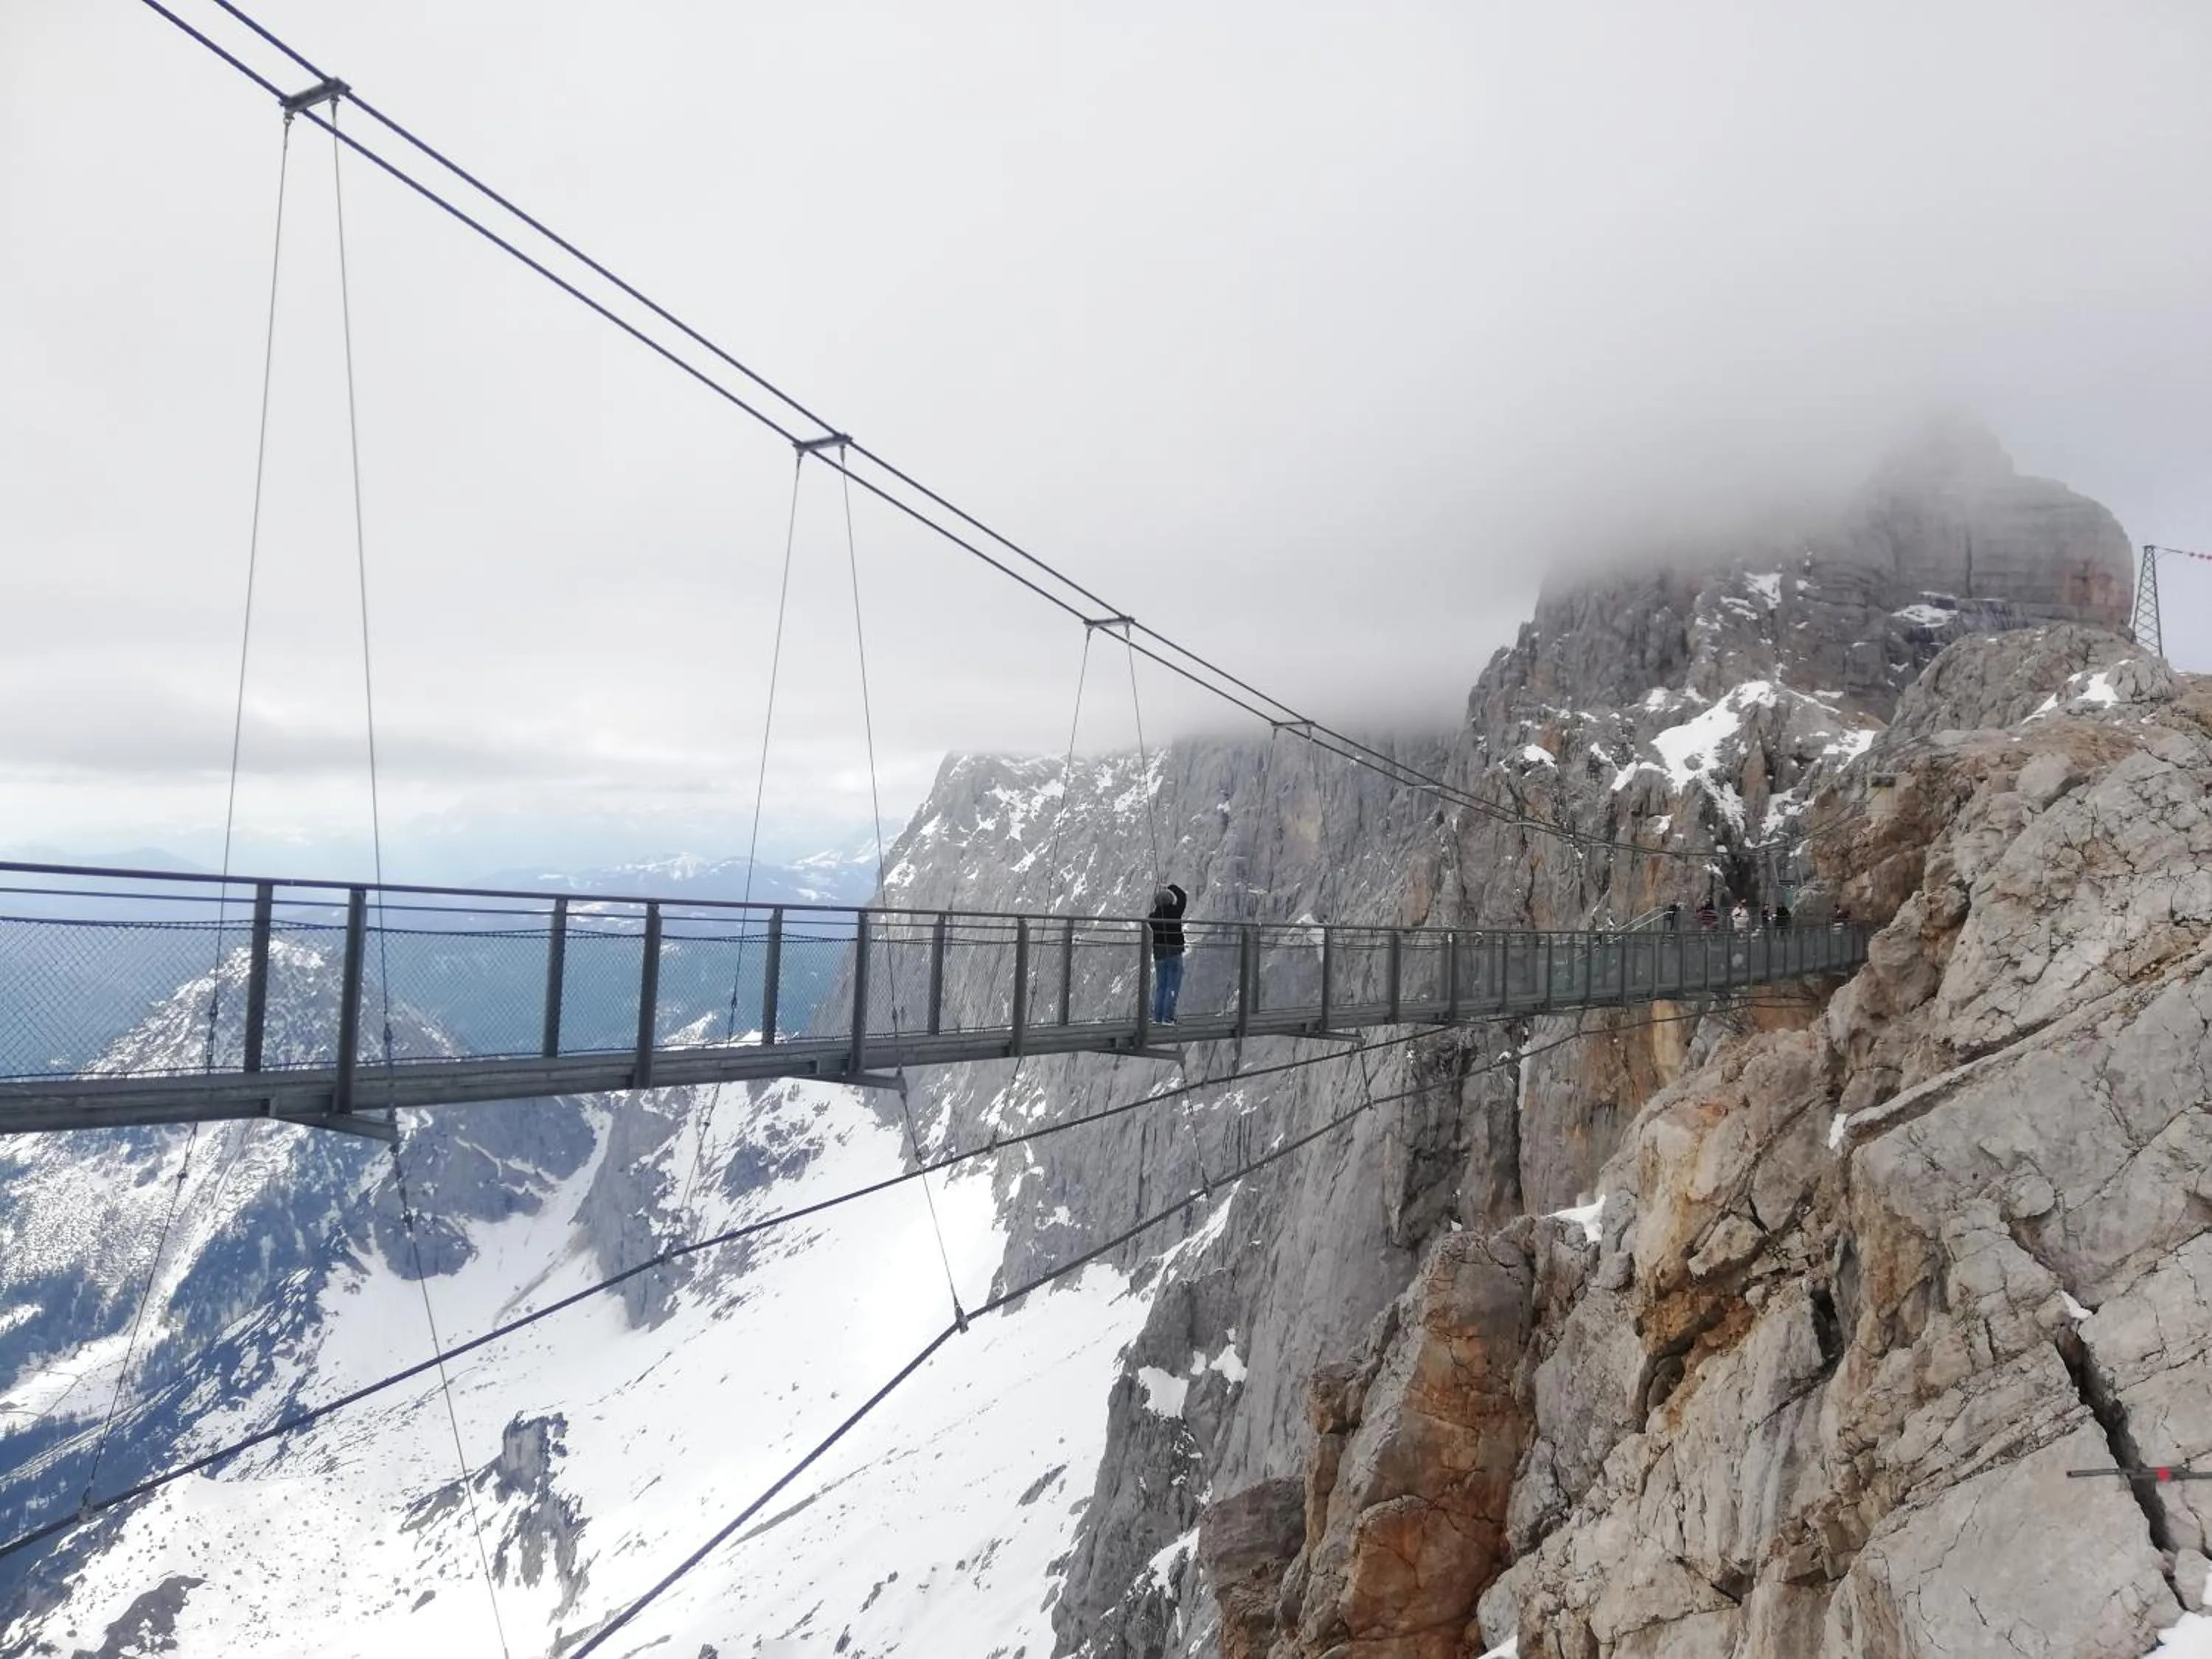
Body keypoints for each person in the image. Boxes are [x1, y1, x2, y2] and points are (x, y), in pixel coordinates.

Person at [1147, 882, 1189, 1024]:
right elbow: (1182, 897)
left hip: (1159, 955)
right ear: (1171, 901)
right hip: (1174, 952)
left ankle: (1157, 1017)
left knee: (1161, 986)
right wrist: (1170, 887)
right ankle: (1168, 1017)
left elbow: (1153, 912)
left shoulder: (1153, 918)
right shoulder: (1175, 913)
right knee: (1172, 986)